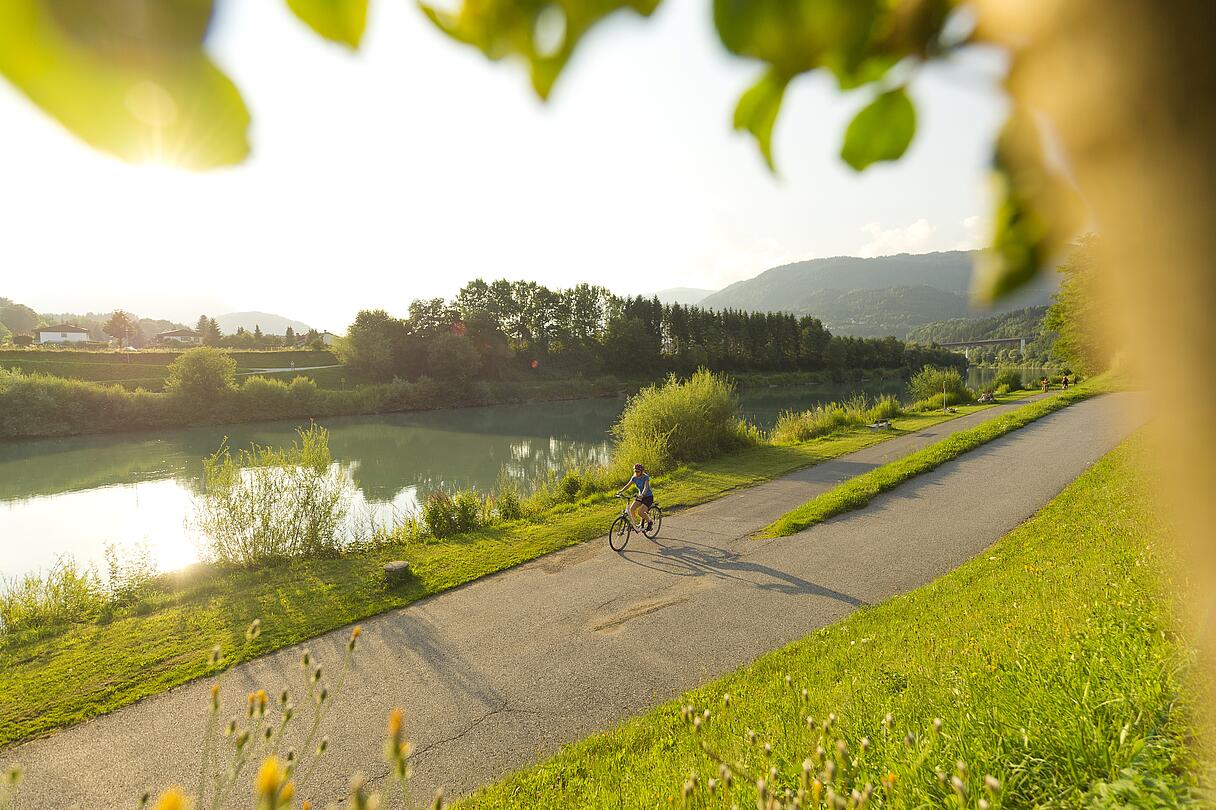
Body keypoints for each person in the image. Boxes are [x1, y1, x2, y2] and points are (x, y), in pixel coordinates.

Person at [618, 463, 654, 531]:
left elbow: (646, 487)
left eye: (638, 471)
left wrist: (642, 495)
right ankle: (634, 525)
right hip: (640, 496)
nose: (636, 473)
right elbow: (628, 485)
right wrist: (620, 491)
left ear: (641, 471)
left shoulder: (645, 477)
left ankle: (649, 521)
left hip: (648, 497)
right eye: (635, 471)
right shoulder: (634, 477)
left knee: (640, 512)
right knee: (631, 509)